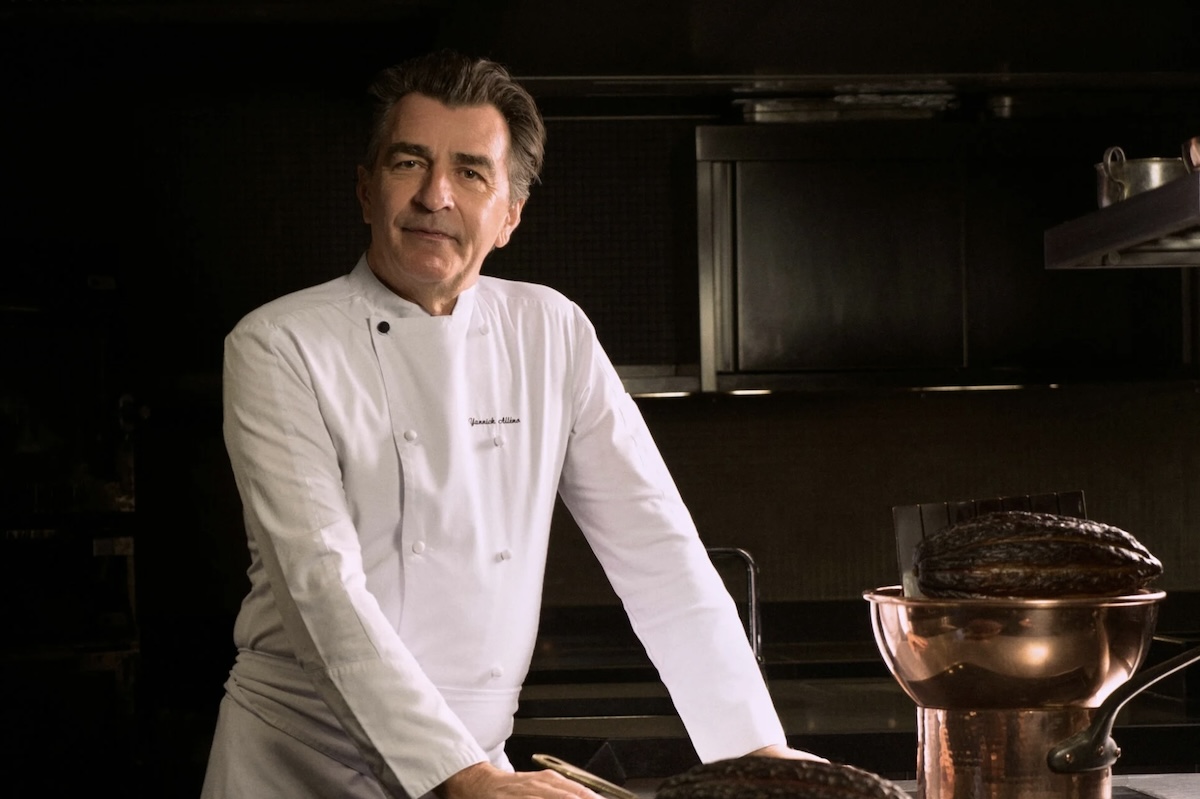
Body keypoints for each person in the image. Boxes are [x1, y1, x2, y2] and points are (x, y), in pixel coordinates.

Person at [200, 49, 823, 799]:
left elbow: (659, 555)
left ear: (509, 216)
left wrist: (755, 752)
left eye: (470, 172)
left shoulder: (551, 331)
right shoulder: (278, 344)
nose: (435, 195)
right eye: (409, 162)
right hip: (300, 763)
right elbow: (319, 587)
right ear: (366, 190)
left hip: (480, 763)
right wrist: (462, 777)